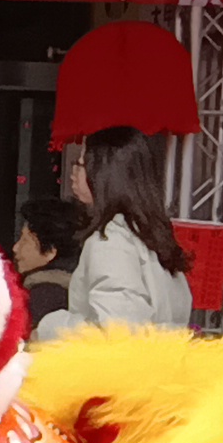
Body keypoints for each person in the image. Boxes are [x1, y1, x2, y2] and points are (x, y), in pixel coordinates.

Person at [42, 127, 191, 336]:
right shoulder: (150, 235)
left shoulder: (111, 240)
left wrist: (49, 327)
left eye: (82, 164)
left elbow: (115, 330)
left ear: (104, 174)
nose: (73, 173)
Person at [14, 193, 90, 328]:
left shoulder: (44, 297)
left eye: (25, 240)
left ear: (50, 252)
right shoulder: (75, 289)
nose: (15, 248)